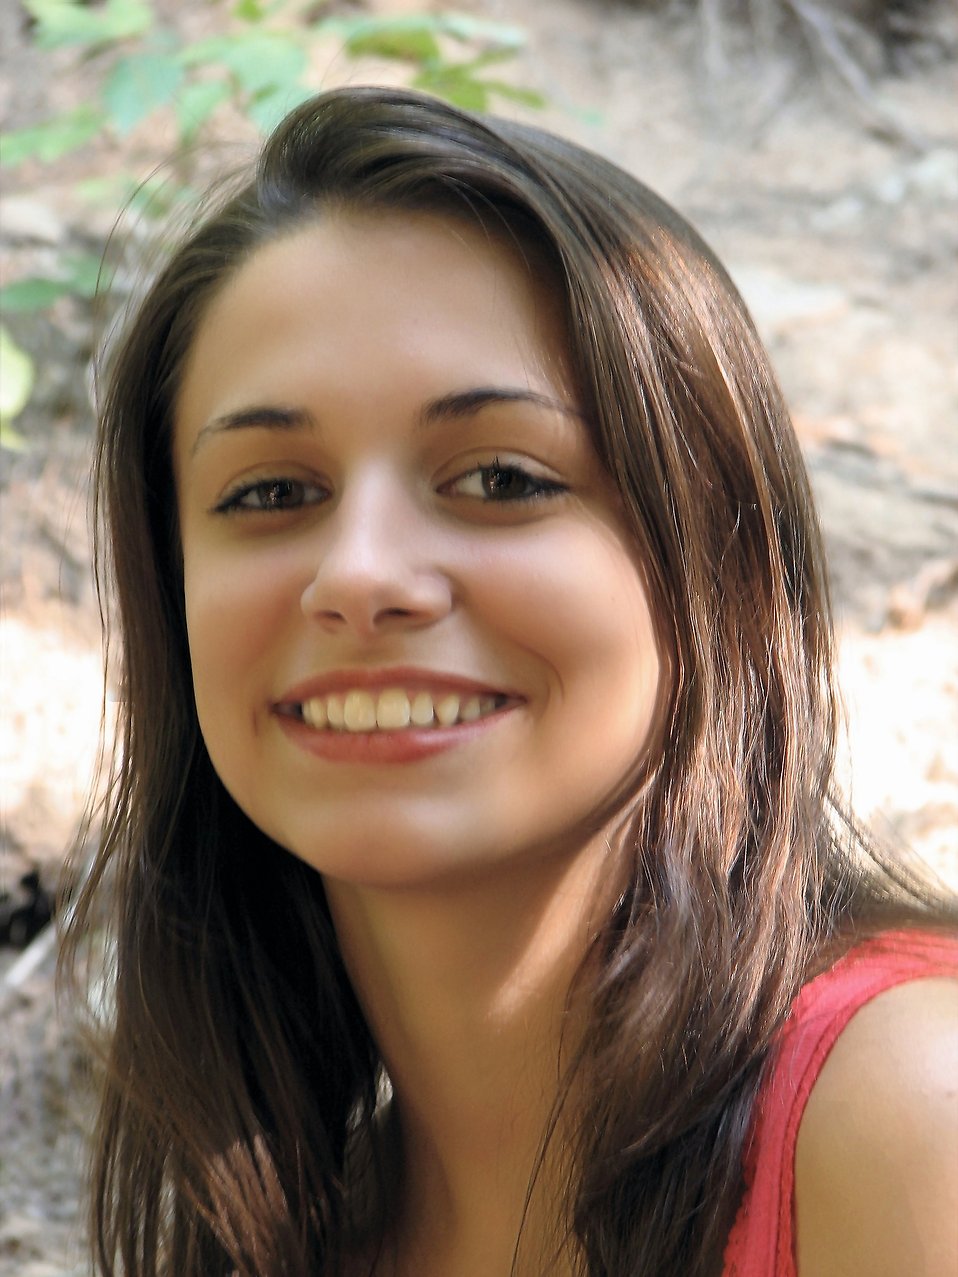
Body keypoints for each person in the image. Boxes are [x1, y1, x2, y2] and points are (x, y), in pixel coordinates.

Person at [62, 86, 957, 1277]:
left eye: (500, 477)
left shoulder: (907, 1111)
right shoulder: (300, 1228)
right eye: (270, 492)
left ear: (716, 569)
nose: (361, 576)